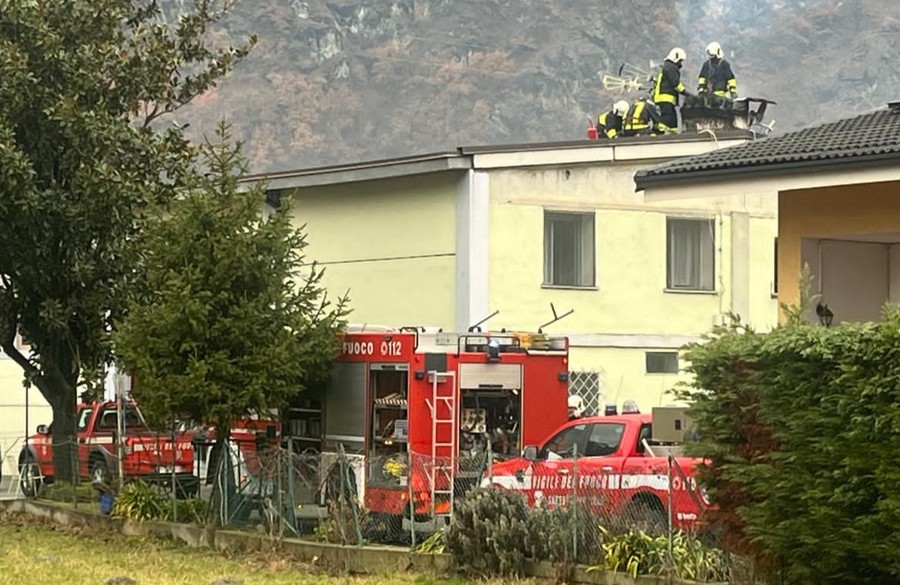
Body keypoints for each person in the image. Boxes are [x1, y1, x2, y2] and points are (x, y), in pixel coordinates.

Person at [652, 47, 690, 132]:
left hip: (666, 98)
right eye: (680, 61)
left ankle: (673, 134)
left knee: (673, 120)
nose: (681, 63)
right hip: (665, 97)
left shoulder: (668, 66)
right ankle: (658, 129)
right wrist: (685, 92)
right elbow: (675, 83)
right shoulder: (671, 67)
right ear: (675, 57)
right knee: (667, 117)